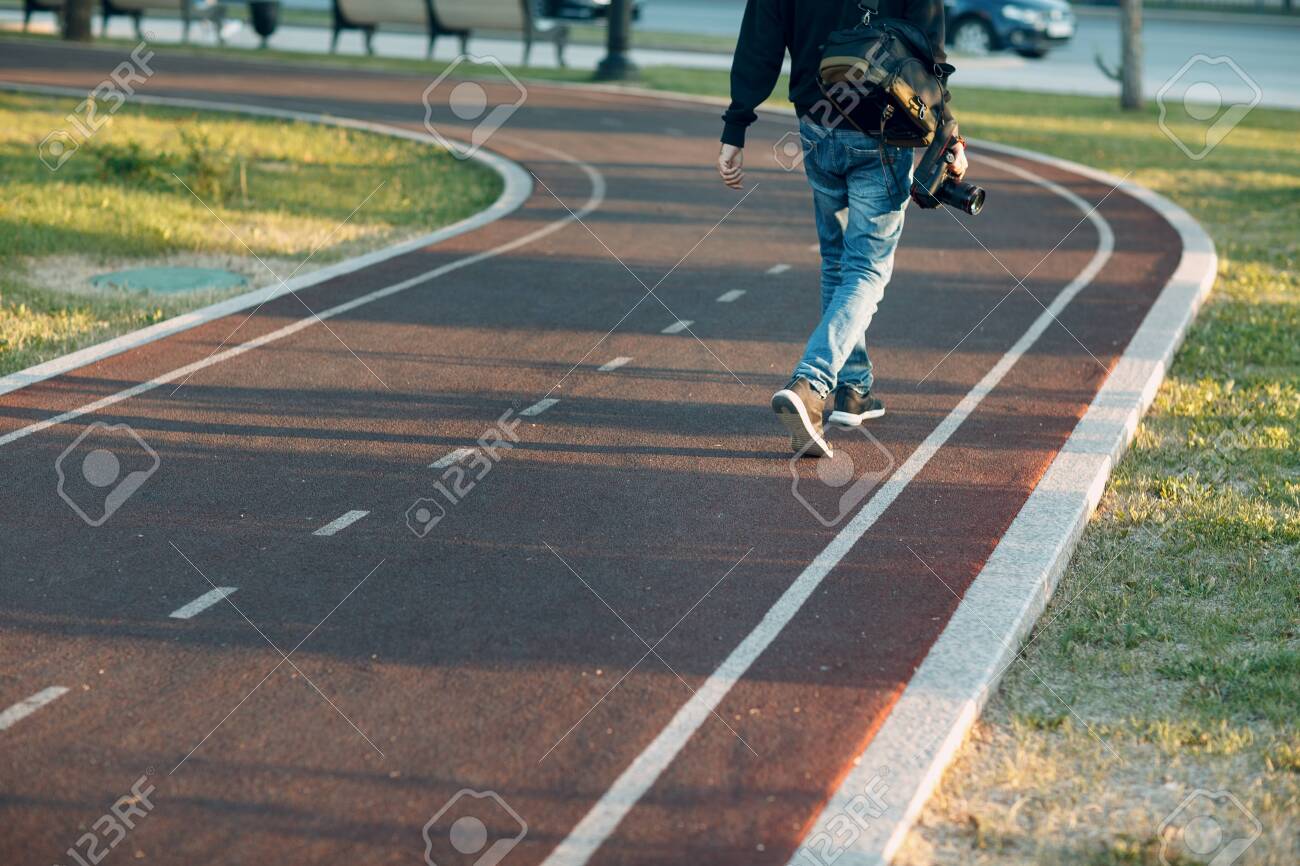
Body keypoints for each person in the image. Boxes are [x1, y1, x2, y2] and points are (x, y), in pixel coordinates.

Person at [717, 0, 967, 458]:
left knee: (837, 260)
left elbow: (760, 42)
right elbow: (932, 57)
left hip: (817, 125)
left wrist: (736, 127)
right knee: (867, 271)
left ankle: (854, 388)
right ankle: (812, 384)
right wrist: (949, 133)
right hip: (885, 129)